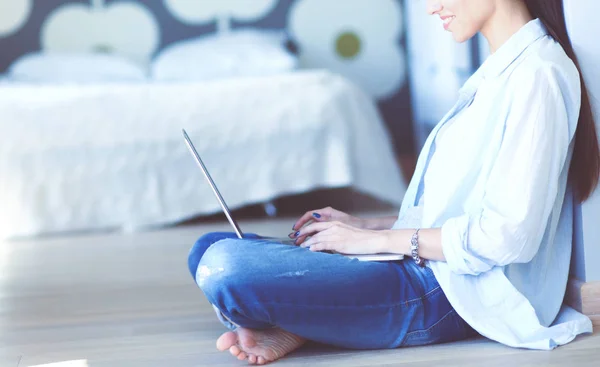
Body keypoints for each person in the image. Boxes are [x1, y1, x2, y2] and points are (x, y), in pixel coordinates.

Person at [187, 0, 600, 365]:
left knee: (224, 267)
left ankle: (306, 321)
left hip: (458, 296)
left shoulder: (539, 74)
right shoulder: (495, 74)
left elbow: (508, 237)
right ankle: (309, 320)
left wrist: (372, 243)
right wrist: (366, 226)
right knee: (206, 249)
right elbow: (453, 210)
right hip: (429, 268)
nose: (430, 7)